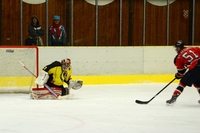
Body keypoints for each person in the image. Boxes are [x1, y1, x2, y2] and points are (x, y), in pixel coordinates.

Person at [166, 40, 200, 105]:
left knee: (182, 84)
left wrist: (178, 75)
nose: (176, 49)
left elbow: (181, 72)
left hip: (195, 69)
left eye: (176, 48)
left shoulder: (178, 58)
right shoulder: (193, 48)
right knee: (197, 83)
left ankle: (173, 98)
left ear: (179, 48)